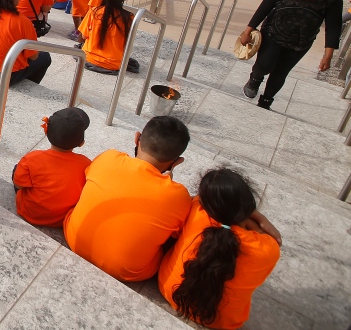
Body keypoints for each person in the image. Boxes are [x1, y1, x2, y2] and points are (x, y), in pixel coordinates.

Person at [64, 116, 193, 282]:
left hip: (73, 239)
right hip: (129, 272)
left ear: (137, 138)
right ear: (177, 162)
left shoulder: (109, 157)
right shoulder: (179, 196)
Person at [158, 168, 282, 330]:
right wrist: (258, 219)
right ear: (249, 206)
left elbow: (197, 200)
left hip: (170, 292)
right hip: (223, 322)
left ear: (205, 205)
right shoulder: (268, 249)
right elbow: (271, 236)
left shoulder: (197, 212)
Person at [240, 0, 343, 109]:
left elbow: (333, 27)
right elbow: (264, 9)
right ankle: (255, 79)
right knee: (264, 64)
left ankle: (266, 100)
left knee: (280, 73)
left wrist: (328, 55)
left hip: (300, 43)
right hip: (272, 34)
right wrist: (248, 30)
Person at [12, 108, 92, 227]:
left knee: (17, 169)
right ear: (81, 143)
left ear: (46, 131)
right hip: (61, 219)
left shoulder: (32, 159)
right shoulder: (86, 164)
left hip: (28, 212)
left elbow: (19, 185)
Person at [78, 0, 139, 74]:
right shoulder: (129, 18)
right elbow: (128, 42)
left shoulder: (94, 11)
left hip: (89, 58)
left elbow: (83, 35)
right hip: (114, 64)